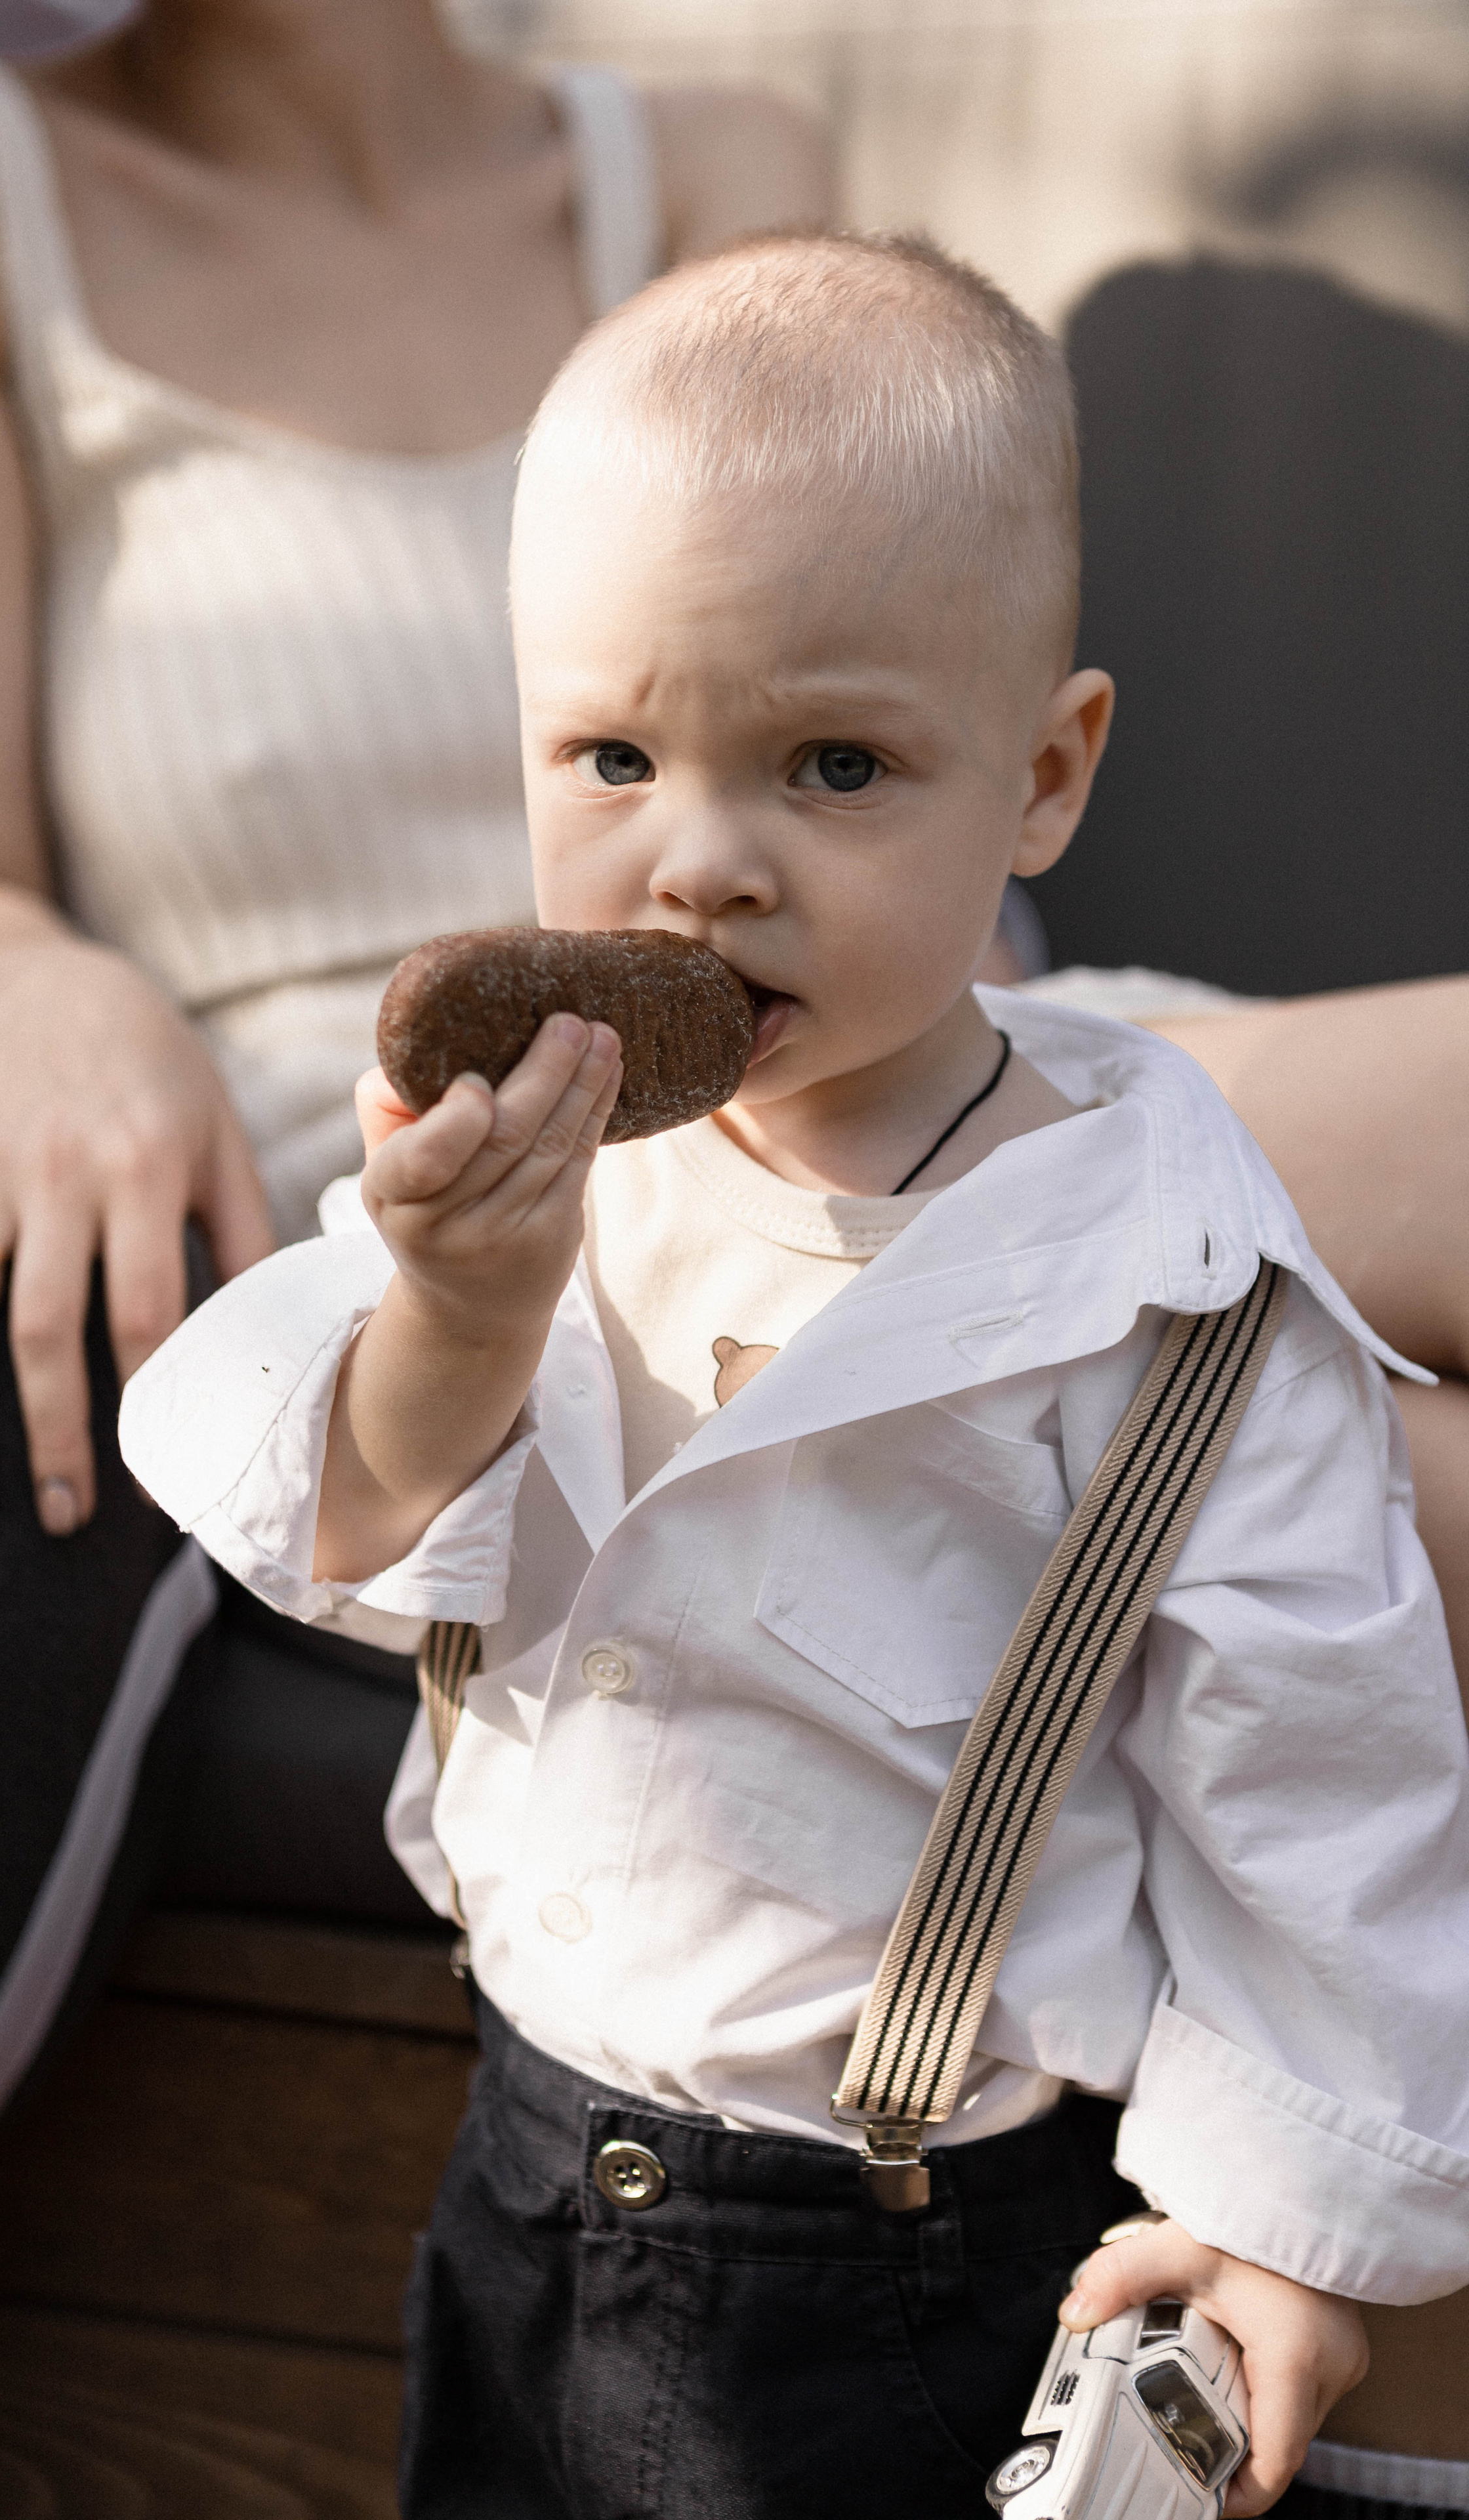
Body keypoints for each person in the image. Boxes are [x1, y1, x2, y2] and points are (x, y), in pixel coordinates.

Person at [121, 234, 1469, 2520]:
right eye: (615, 755)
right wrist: (457, 1309)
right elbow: (319, 1520)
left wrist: (1290, 2243)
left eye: (834, 765)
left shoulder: (1152, 1272)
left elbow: (1319, 1782)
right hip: (528, 2163)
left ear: (1043, 779)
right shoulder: (539, 1175)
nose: (703, 863)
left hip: (910, 2267)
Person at [0, 0, 830, 2445]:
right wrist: (64, 1011)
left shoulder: (715, 164)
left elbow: (883, 805)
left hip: (797, 1124)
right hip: (310, 1202)